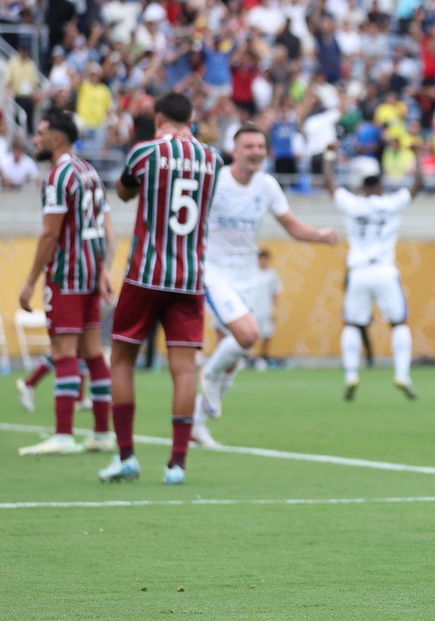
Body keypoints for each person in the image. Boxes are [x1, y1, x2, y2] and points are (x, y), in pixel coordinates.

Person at [99, 92, 223, 485]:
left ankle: (126, 457)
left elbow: (123, 191)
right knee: (184, 368)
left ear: (158, 118)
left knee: (121, 360)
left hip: (145, 274)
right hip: (189, 277)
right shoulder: (213, 159)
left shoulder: (146, 152)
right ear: (192, 118)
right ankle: (177, 464)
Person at [193, 126, 338, 447]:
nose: (256, 151)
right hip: (214, 273)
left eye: (261, 145)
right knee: (247, 335)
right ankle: (208, 375)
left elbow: (291, 225)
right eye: (249, 146)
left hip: (246, 276)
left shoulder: (267, 185)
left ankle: (195, 424)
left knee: (234, 359)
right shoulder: (215, 181)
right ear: (235, 149)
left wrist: (320, 235)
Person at [17, 110, 116, 456]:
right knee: (93, 352)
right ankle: (103, 433)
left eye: (40, 133)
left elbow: (50, 234)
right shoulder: (89, 171)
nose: (36, 139)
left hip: (66, 274)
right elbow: (106, 226)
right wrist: (104, 268)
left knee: (63, 352)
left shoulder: (58, 177)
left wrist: (30, 281)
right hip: (89, 273)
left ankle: (63, 434)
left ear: (56, 139)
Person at [322, 144, 424, 401]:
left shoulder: (353, 204)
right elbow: (418, 184)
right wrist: (419, 155)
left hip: (358, 271)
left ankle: (351, 374)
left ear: (363, 187)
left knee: (354, 324)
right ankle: (402, 373)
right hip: (384, 270)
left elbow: (329, 183)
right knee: (398, 322)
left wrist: (329, 157)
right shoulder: (390, 203)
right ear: (379, 186)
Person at [253, 249, 281, 368]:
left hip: (266, 309)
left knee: (267, 335)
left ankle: (263, 358)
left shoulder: (272, 275)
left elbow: (275, 293)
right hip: (252, 309)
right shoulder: (251, 273)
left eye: (265, 258)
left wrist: (275, 309)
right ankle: (245, 358)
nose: (262, 261)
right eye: (260, 258)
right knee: (249, 334)